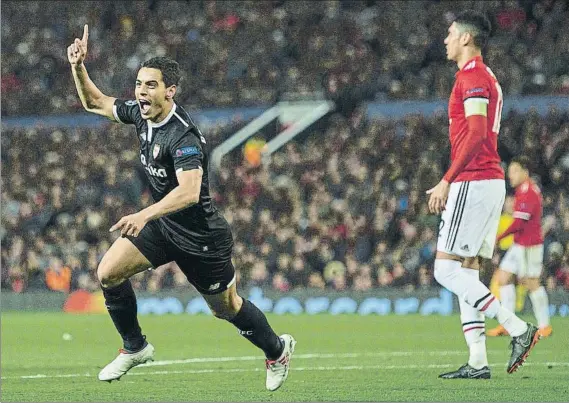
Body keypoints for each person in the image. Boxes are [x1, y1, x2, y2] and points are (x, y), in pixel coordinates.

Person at [67, 25, 295, 391]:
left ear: (170, 91)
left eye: (151, 85)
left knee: (226, 308)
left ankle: (276, 350)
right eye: (139, 84)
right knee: (108, 272)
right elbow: (95, 102)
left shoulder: (183, 136)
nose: (141, 91)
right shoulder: (142, 115)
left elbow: (189, 192)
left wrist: (143, 214)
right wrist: (78, 66)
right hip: (164, 225)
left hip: (201, 236)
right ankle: (135, 347)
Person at [426, 11, 540, 380]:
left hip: (473, 182)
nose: (445, 39)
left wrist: (447, 179)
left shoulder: (472, 77)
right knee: (467, 271)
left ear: (466, 38)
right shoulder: (485, 76)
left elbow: (476, 134)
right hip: (488, 183)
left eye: (449, 33)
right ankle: (477, 361)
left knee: (444, 270)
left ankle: (518, 328)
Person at [488, 156, 552, 338]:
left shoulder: (530, 192)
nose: (511, 176)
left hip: (529, 245)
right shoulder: (522, 191)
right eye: (510, 172)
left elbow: (518, 223)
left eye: (514, 171)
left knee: (530, 282)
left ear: (525, 172)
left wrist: (498, 238)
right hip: (519, 244)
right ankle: (509, 324)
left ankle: (544, 325)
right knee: (503, 278)